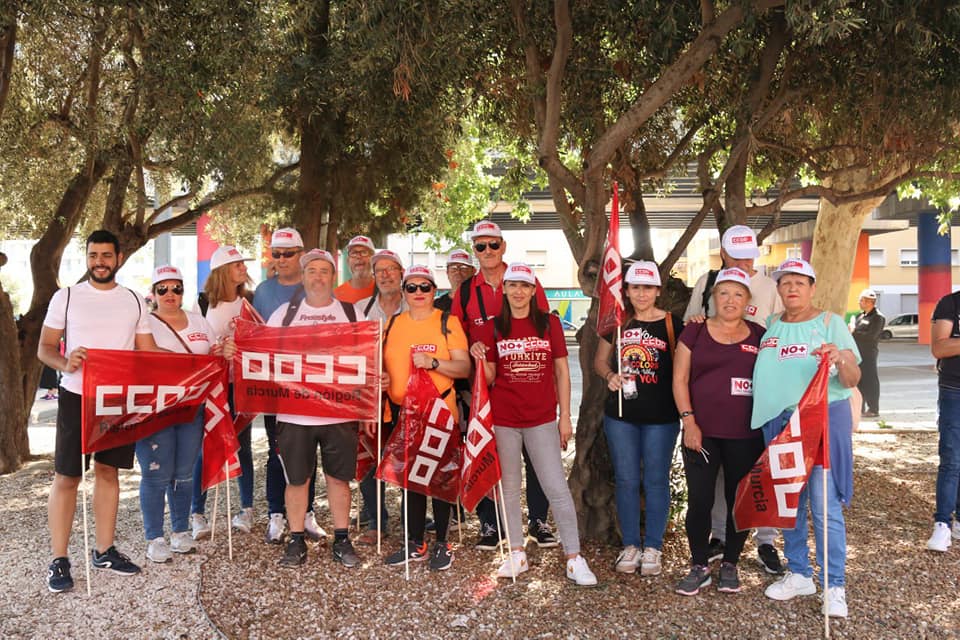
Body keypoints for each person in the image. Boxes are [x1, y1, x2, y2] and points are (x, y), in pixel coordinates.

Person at [38, 229, 160, 593]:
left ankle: (104, 550)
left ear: (118, 258)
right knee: (67, 476)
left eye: (106, 256)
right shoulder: (68, 296)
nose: (99, 263)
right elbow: (45, 348)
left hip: (117, 399)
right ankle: (58, 560)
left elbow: (148, 352)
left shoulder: (135, 300)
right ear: (87, 257)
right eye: (93, 256)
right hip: (76, 396)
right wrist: (66, 362)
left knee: (109, 473)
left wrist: (199, 365)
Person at [472, 262, 597, 585]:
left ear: (533, 290)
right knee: (510, 489)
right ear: (504, 289)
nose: (518, 291)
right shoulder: (492, 326)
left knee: (556, 487)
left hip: (541, 418)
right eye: (512, 285)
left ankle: (574, 557)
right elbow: (489, 377)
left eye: (524, 286)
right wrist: (479, 357)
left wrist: (565, 416)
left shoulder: (548, 322)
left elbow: (561, 371)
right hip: (504, 419)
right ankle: (516, 552)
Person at [754, 259, 861, 619]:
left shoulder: (831, 323)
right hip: (780, 425)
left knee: (824, 505)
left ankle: (834, 585)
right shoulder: (771, 326)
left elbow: (852, 378)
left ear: (812, 288)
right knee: (790, 503)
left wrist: (839, 357)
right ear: (779, 290)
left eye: (800, 283)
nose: (792, 289)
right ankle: (799, 573)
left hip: (820, 422)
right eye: (785, 284)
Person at [683, 225, 784, 575]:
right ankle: (720, 539)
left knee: (754, 477)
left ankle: (767, 541)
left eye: (749, 256)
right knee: (717, 482)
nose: (744, 263)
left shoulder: (770, 288)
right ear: (724, 254)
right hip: (712, 409)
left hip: (758, 402)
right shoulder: (707, 283)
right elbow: (692, 325)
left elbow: (782, 333)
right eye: (737, 256)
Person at [451, 220, 554, 551]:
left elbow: (544, 329)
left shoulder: (524, 279)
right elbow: (454, 331)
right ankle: (490, 524)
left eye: (493, 245)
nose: (487, 252)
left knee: (535, 457)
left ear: (503, 246)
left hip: (526, 382)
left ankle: (538, 520)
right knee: (484, 453)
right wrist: (468, 351)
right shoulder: (466, 290)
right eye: (479, 246)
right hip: (480, 388)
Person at [267, 249, 364, 568]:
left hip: (340, 413)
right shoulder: (284, 313)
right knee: (297, 480)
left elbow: (368, 359)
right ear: (304, 275)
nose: (318, 277)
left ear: (333, 277)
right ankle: (295, 541)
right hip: (295, 414)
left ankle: (342, 539)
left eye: (324, 271)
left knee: (338, 479)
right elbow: (263, 354)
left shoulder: (352, 313)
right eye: (312, 271)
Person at [672, 267, 766, 596]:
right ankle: (699, 565)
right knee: (700, 500)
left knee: (738, 501)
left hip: (746, 435)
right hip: (702, 432)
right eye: (723, 293)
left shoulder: (759, 334)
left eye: (738, 294)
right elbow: (679, 379)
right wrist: (689, 422)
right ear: (713, 298)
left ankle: (730, 564)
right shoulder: (694, 333)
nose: (730, 300)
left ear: (748, 300)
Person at [139, 265, 234, 563]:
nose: (170, 294)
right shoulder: (144, 324)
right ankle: (154, 537)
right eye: (163, 289)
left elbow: (213, 353)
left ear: (183, 291)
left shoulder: (199, 322)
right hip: (154, 410)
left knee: (183, 472)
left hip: (192, 408)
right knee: (156, 473)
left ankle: (179, 531)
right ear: (154, 294)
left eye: (176, 288)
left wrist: (223, 351)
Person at [594, 260, 683, 577]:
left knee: (656, 480)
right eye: (635, 287)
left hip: (662, 417)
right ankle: (630, 544)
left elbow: (685, 369)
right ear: (627, 290)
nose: (641, 293)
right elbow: (599, 361)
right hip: (621, 415)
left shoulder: (675, 324)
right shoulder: (616, 323)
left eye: (648, 287)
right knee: (628, 480)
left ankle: (653, 547)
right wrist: (609, 376)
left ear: (658, 290)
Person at [381, 265, 470, 571]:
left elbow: (463, 368)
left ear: (434, 291)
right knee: (411, 480)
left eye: (425, 287)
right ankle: (414, 542)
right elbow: (382, 364)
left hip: (439, 411)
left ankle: (443, 544)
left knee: (441, 477)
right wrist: (381, 378)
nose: (418, 293)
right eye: (411, 288)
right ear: (404, 293)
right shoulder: (392, 324)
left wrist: (434, 362)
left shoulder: (448, 321)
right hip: (404, 413)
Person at [253, 228, 325, 545]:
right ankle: (276, 514)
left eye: (288, 253)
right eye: (277, 254)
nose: (282, 259)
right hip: (276, 386)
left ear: (301, 253)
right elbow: (256, 336)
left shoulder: (316, 287)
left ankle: (306, 513)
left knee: (309, 453)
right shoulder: (262, 291)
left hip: (311, 385)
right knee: (277, 451)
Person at [190, 245, 256, 539]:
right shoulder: (202, 304)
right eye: (236, 264)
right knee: (205, 446)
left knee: (242, 445)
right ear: (221, 271)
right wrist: (214, 352)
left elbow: (259, 341)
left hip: (240, 385)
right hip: (211, 386)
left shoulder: (249, 301)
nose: (242, 268)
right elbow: (193, 345)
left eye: (243, 263)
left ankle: (247, 508)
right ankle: (197, 512)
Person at [355, 249, 407, 545]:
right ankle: (377, 520)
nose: (386, 275)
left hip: (405, 396)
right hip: (369, 398)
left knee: (406, 456)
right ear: (373, 277)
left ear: (401, 273)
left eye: (392, 269)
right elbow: (352, 353)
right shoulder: (361, 309)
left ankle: (410, 519)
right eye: (380, 270)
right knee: (369, 458)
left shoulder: (414, 305)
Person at [927, 288, 960, 552]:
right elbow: (939, 347)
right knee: (951, 458)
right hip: (955, 390)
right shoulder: (951, 303)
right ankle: (942, 524)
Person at [850, 288, 885, 418]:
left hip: (868, 354)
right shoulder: (860, 316)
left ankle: (873, 408)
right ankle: (860, 407)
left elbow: (872, 336)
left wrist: (854, 332)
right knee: (859, 381)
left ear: (869, 302)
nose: (859, 303)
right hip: (857, 353)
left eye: (861, 300)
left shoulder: (878, 317)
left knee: (870, 381)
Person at [334, 235, 376, 304]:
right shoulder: (336, 297)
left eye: (364, 252)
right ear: (348, 261)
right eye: (354, 253)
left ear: (373, 259)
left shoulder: (384, 291)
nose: (358, 257)